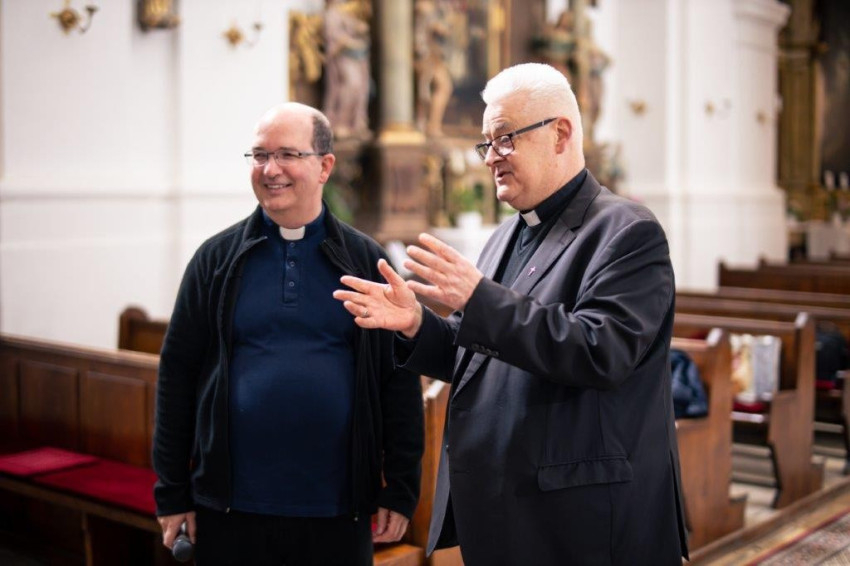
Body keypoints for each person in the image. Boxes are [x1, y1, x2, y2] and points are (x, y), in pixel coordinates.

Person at [334, 63, 688, 565]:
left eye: (504, 139)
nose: (490, 158)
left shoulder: (626, 232)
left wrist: (479, 299)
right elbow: (477, 351)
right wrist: (416, 324)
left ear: (560, 134)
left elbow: (600, 352)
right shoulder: (505, 236)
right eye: (486, 144)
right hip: (507, 507)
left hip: (582, 517)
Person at [153, 102, 424, 565]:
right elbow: (177, 376)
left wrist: (400, 488)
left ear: (325, 166)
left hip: (337, 509)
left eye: (287, 155)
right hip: (231, 507)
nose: (270, 169)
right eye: (260, 155)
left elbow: (397, 378)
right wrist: (172, 493)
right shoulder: (215, 259)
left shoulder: (365, 260)